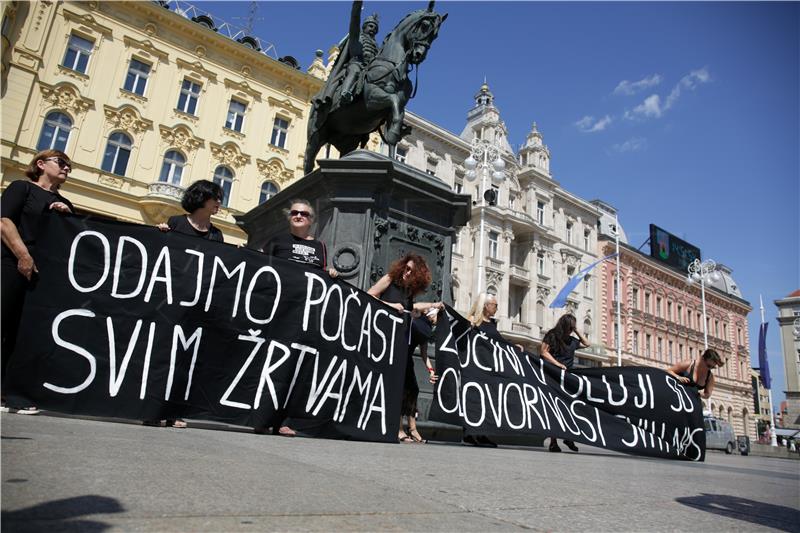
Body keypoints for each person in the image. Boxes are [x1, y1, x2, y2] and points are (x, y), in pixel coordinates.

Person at [1, 150, 74, 414]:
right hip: (11, 263)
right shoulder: (21, 188)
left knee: (25, 332)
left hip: (44, 274)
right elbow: (4, 221)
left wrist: (65, 216)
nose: (67, 168)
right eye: (62, 163)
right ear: (41, 164)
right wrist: (23, 255)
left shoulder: (65, 202)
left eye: (69, 166)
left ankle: (11, 392)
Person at [148, 180, 226, 428]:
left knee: (186, 359)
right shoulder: (176, 223)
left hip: (196, 305)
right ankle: (152, 408)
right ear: (202, 199)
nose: (219, 204)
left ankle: (174, 411)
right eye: (216, 198)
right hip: (169, 301)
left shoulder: (216, 234)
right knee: (162, 355)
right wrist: (159, 236)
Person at [261, 199, 338, 436]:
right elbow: (262, 269)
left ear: (311, 220)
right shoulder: (277, 242)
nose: (298, 216)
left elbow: (320, 275)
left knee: (295, 367)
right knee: (270, 364)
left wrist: (329, 274)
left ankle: (284, 420)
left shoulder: (319, 247)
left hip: (305, 315)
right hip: (278, 311)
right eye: (294, 212)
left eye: (303, 214)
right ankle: (263, 417)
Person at [368, 253, 443, 443]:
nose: (407, 272)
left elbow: (414, 309)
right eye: (406, 268)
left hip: (399, 344)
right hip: (382, 340)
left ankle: (407, 427)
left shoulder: (409, 294)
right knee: (395, 385)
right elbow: (368, 296)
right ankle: (397, 428)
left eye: (412, 271)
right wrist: (390, 304)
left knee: (407, 386)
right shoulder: (390, 279)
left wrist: (427, 309)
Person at [463, 293, 522, 448]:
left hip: (488, 368)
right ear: (485, 306)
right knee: (475, 399)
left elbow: (499, 342)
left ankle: (482, 433)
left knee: (487, 400)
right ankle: (471, 433)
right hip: (475, 366)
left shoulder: (491, 324)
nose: (497, 308)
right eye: (495, 305)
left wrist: (513, 346)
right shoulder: (472, 323)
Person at [540, 313, 590, 453]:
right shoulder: (552, 335)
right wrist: (557, 364)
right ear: (564, 326)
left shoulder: (573, 341)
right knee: (555, 409)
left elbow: (587, 343)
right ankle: (553, 442)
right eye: (569, 327)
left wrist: (577, 331)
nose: (570, 330)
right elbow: (543, 352)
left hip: (567, 378)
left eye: (572, 328)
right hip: (553, 376)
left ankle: (568, 437)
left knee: (570, 408)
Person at [157, 179, 224, 242]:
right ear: (201, 198)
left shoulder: (217, 235)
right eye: (215, 198)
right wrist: (159, 233)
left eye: (220, 198)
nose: (219, 201)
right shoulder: (176, 222)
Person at [340, 3, 379, 104]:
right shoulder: (357, 37)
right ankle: (345, 93)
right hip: (356, 63)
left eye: (375, 28)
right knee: (355, 71)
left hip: (369, 68)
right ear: (364, 27)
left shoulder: (376, 46)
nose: (373, 29)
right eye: (371, 26)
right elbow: (355, 20)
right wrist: (357, 6)